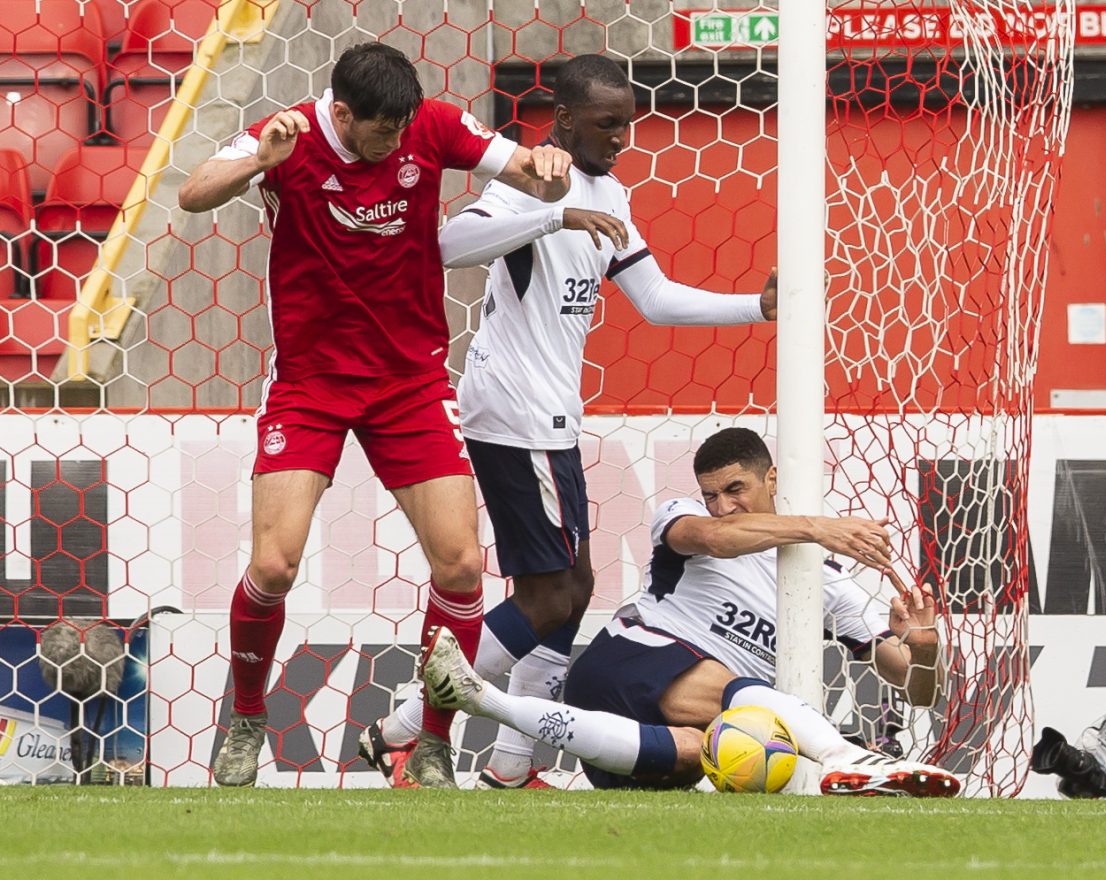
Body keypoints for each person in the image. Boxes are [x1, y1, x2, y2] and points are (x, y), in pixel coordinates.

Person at [359, 54, 777, 789]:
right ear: (564, 119)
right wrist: (553, 212)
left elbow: (654, 298)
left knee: (574, 591)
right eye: (607, 124)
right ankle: (403, 729)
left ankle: (508, 767)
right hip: (514, 412)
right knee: (551, 598)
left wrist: (757, 308)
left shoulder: (609, 189)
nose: (620, 139)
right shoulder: (530, 179)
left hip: (549, 417)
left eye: (627, 125)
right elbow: (447, 246)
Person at [177, 42, 574, 788]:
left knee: (461, 565)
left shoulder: (433, 125)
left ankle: (430, 743)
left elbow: (527, 173)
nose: (394, 142)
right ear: (342, 112)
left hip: (409, 381)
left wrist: (548, 171)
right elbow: (194, 194)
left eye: (401, 129)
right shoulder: (288, 135)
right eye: (380, 130)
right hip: (311, 383)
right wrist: (258, 161)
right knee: (273, 565)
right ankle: (248, 716)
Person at [419, 427, 960, 796]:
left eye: (736, 489)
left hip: (647, 740)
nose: (722, 506)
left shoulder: (829, 584)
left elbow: (916, 690)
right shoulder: (681, 517)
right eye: (712, 494)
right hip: (627, 665)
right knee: (735, 693)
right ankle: (843, 755)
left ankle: (481, 698)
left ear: (772, 479)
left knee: (703, 751)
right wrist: (818, 528)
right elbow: (716, 537)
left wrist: (924, 644)